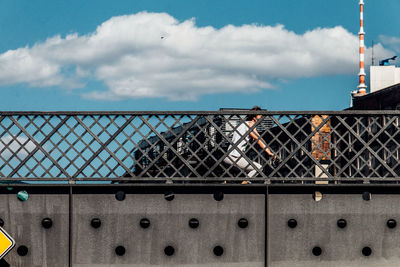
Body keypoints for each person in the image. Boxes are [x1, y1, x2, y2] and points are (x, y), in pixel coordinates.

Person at [223, 106, 277, 179]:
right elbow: (258, 139)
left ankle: (242, 184)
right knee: (258, 168)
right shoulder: (249, 124)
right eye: (260, 117)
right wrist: (269, 152)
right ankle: (244, 186)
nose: (261, 119)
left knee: (247, 172)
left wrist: (266, 147)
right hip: (234, 157)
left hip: (230, 157)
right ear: (254, 117)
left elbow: (259, 137)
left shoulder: (245, 124)